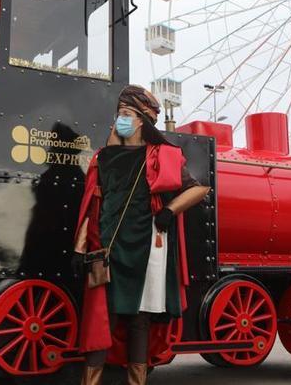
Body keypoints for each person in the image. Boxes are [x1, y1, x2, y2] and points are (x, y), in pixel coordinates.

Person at [72, 85, 210, 385]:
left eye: (125, 114)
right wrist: (80, 247)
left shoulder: (162, 155)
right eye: (118, 113)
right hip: (105, 247)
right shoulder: (103, 157)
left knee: (139, 319)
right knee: (99, 318)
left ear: (141, 120)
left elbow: (199, 187)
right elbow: (93, 202)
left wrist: (170, 210)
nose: (119, 120)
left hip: (148, 244)